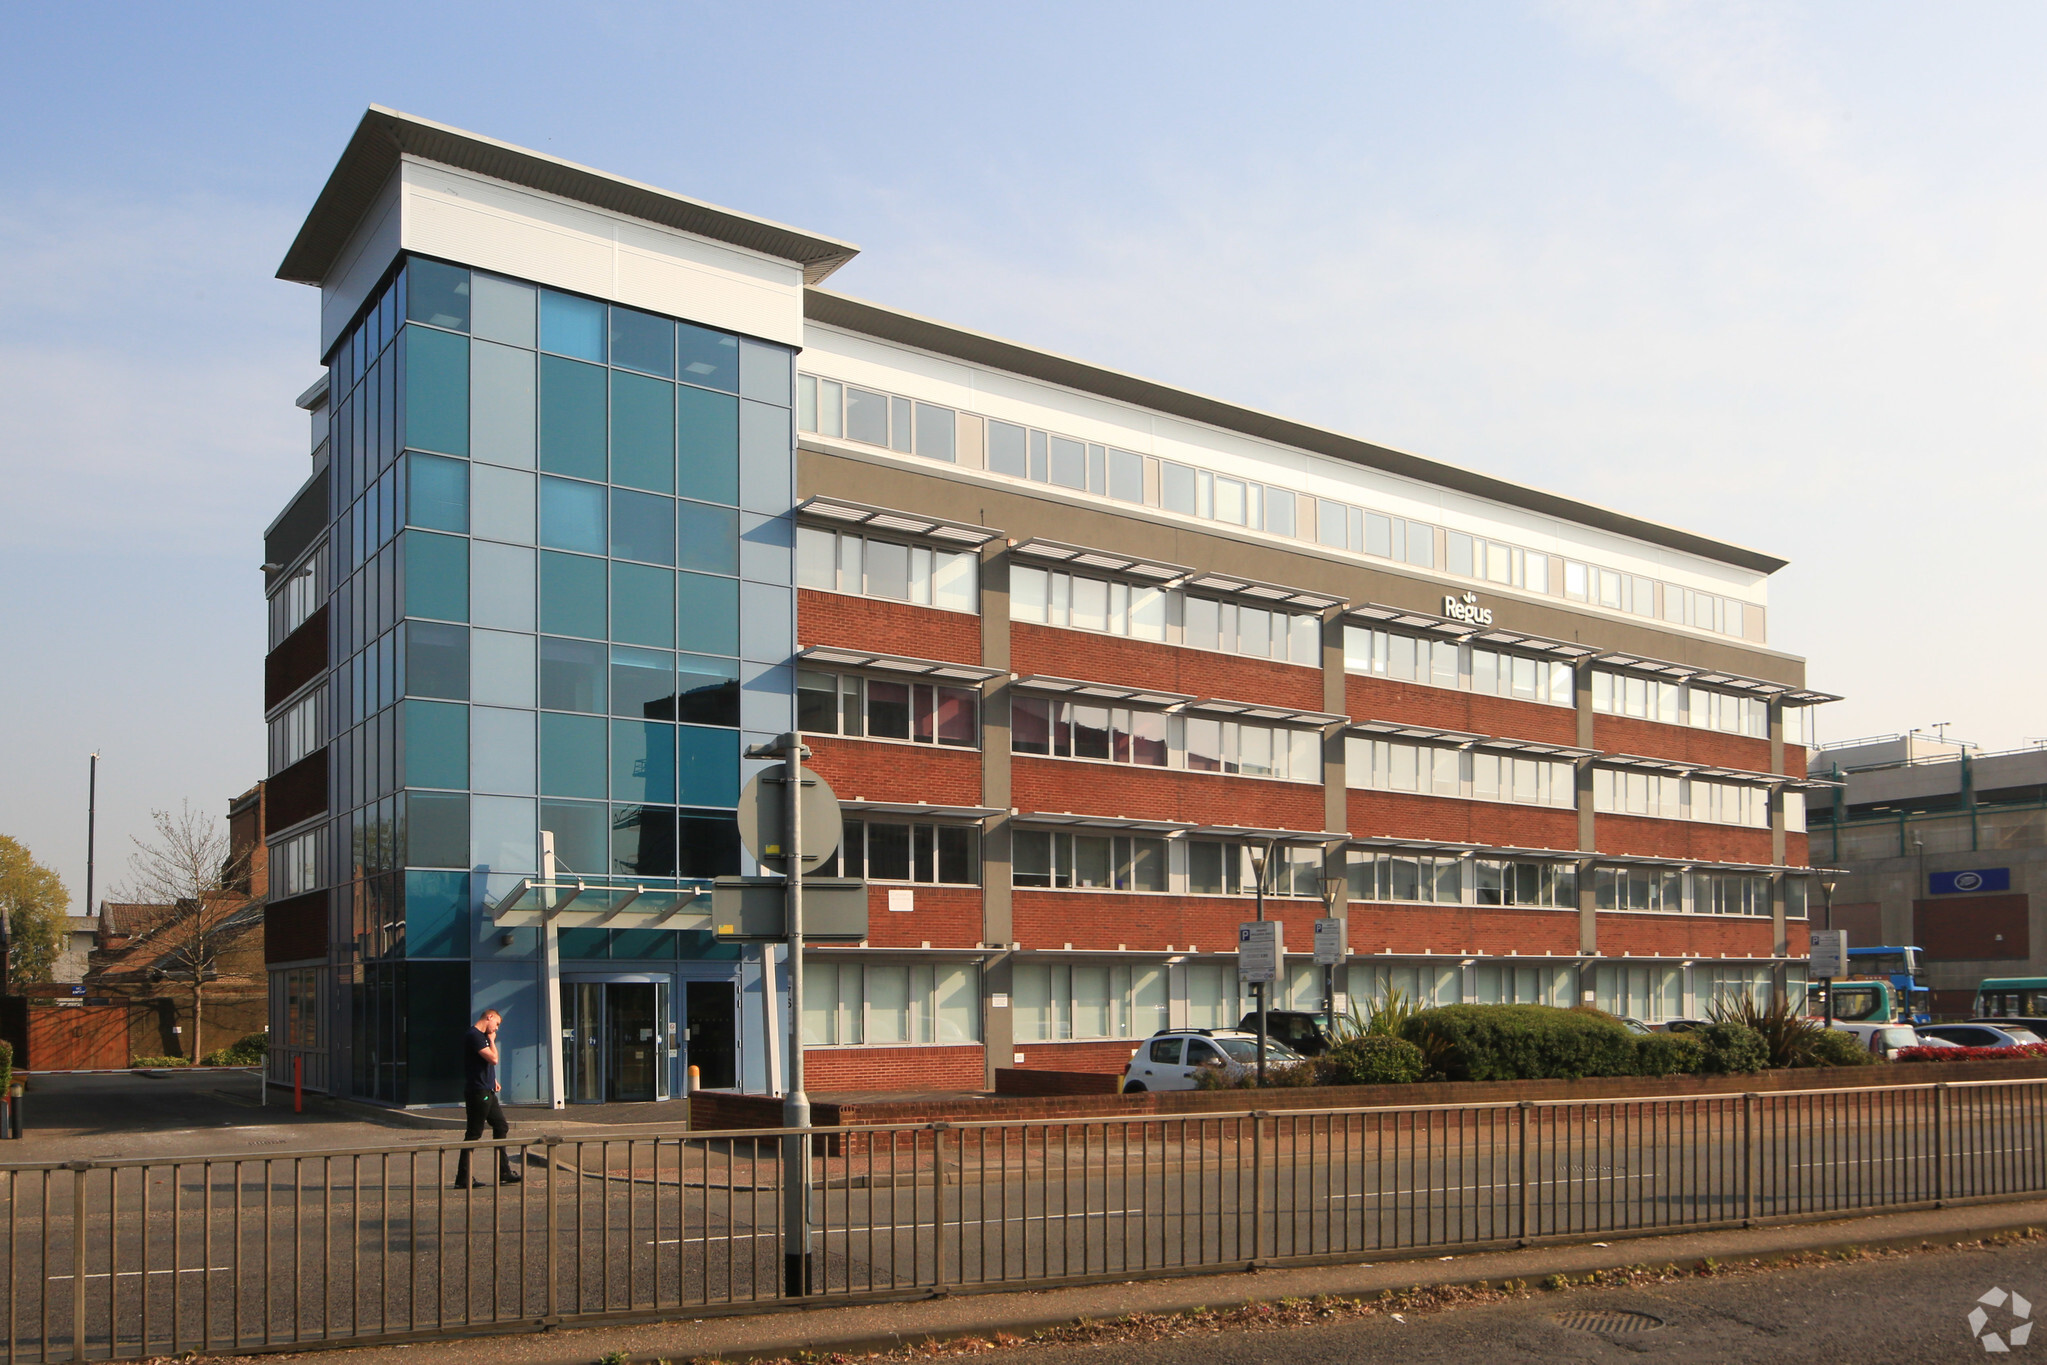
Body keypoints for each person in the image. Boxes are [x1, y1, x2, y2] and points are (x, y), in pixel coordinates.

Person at [454, 1008, 522, 1188]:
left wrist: (494, 1080)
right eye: (497, 1024)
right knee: (474, 1133)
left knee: (501, 1126)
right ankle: (463, 1177)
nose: (497, 1029)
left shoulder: (481, 1036)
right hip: (478, 1092)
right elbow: (493, 1059)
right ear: (489, 1017)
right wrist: (492, 1041)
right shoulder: (475, 1035)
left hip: (487, 1089)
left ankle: (504, 1171)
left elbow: (481, 1064)